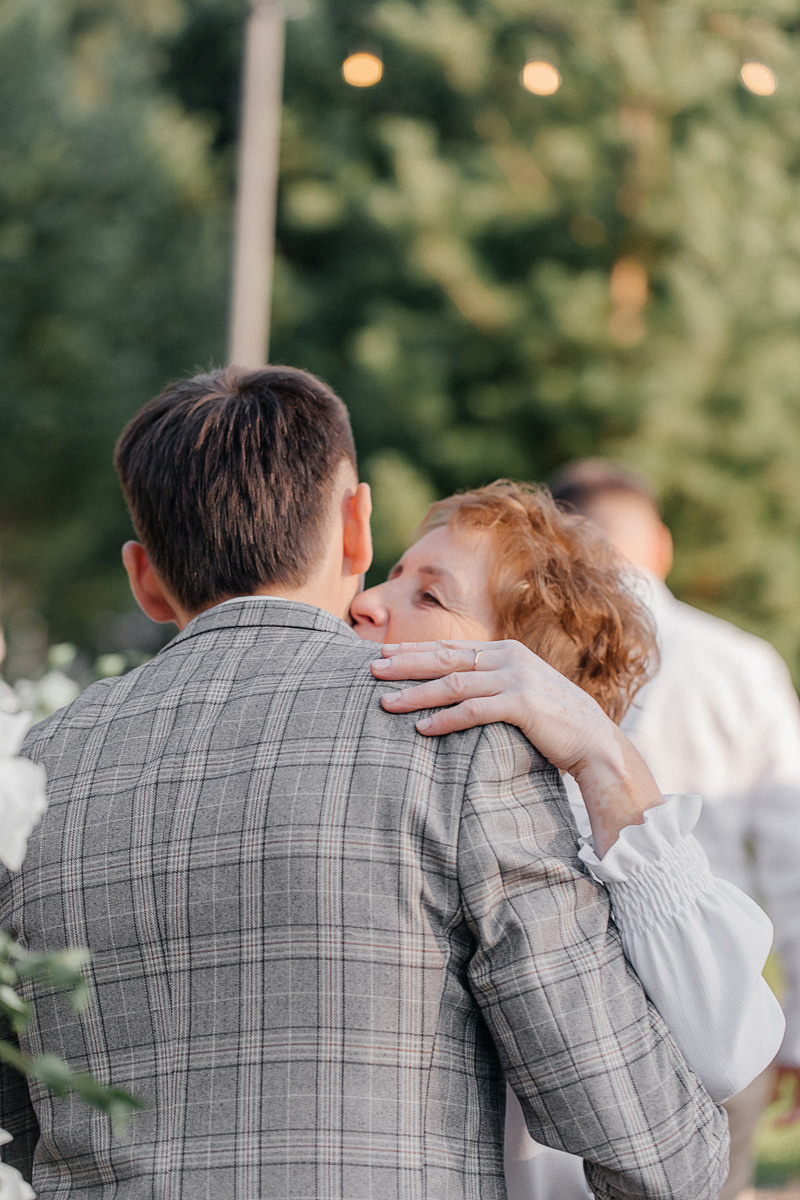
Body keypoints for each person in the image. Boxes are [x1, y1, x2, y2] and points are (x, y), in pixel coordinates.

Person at [1, 368, 728, 1198]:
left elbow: (10, 1131)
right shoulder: (456, 735)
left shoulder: (30, 778)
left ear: (144, 578)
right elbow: (653, 1149)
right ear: (356, 527)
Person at [350, 478, 786, 1199]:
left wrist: (604, 754)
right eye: (392, 575)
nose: (366, 601)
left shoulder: (568, 834)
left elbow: (726, 1046)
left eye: (429, 596)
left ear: (522, 668)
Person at [547, 457, 800, 1200]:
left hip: (571, 1019)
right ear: (659, 544)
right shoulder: (741, 664)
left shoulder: (531, 657)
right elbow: (794, 857)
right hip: (720, 1010)